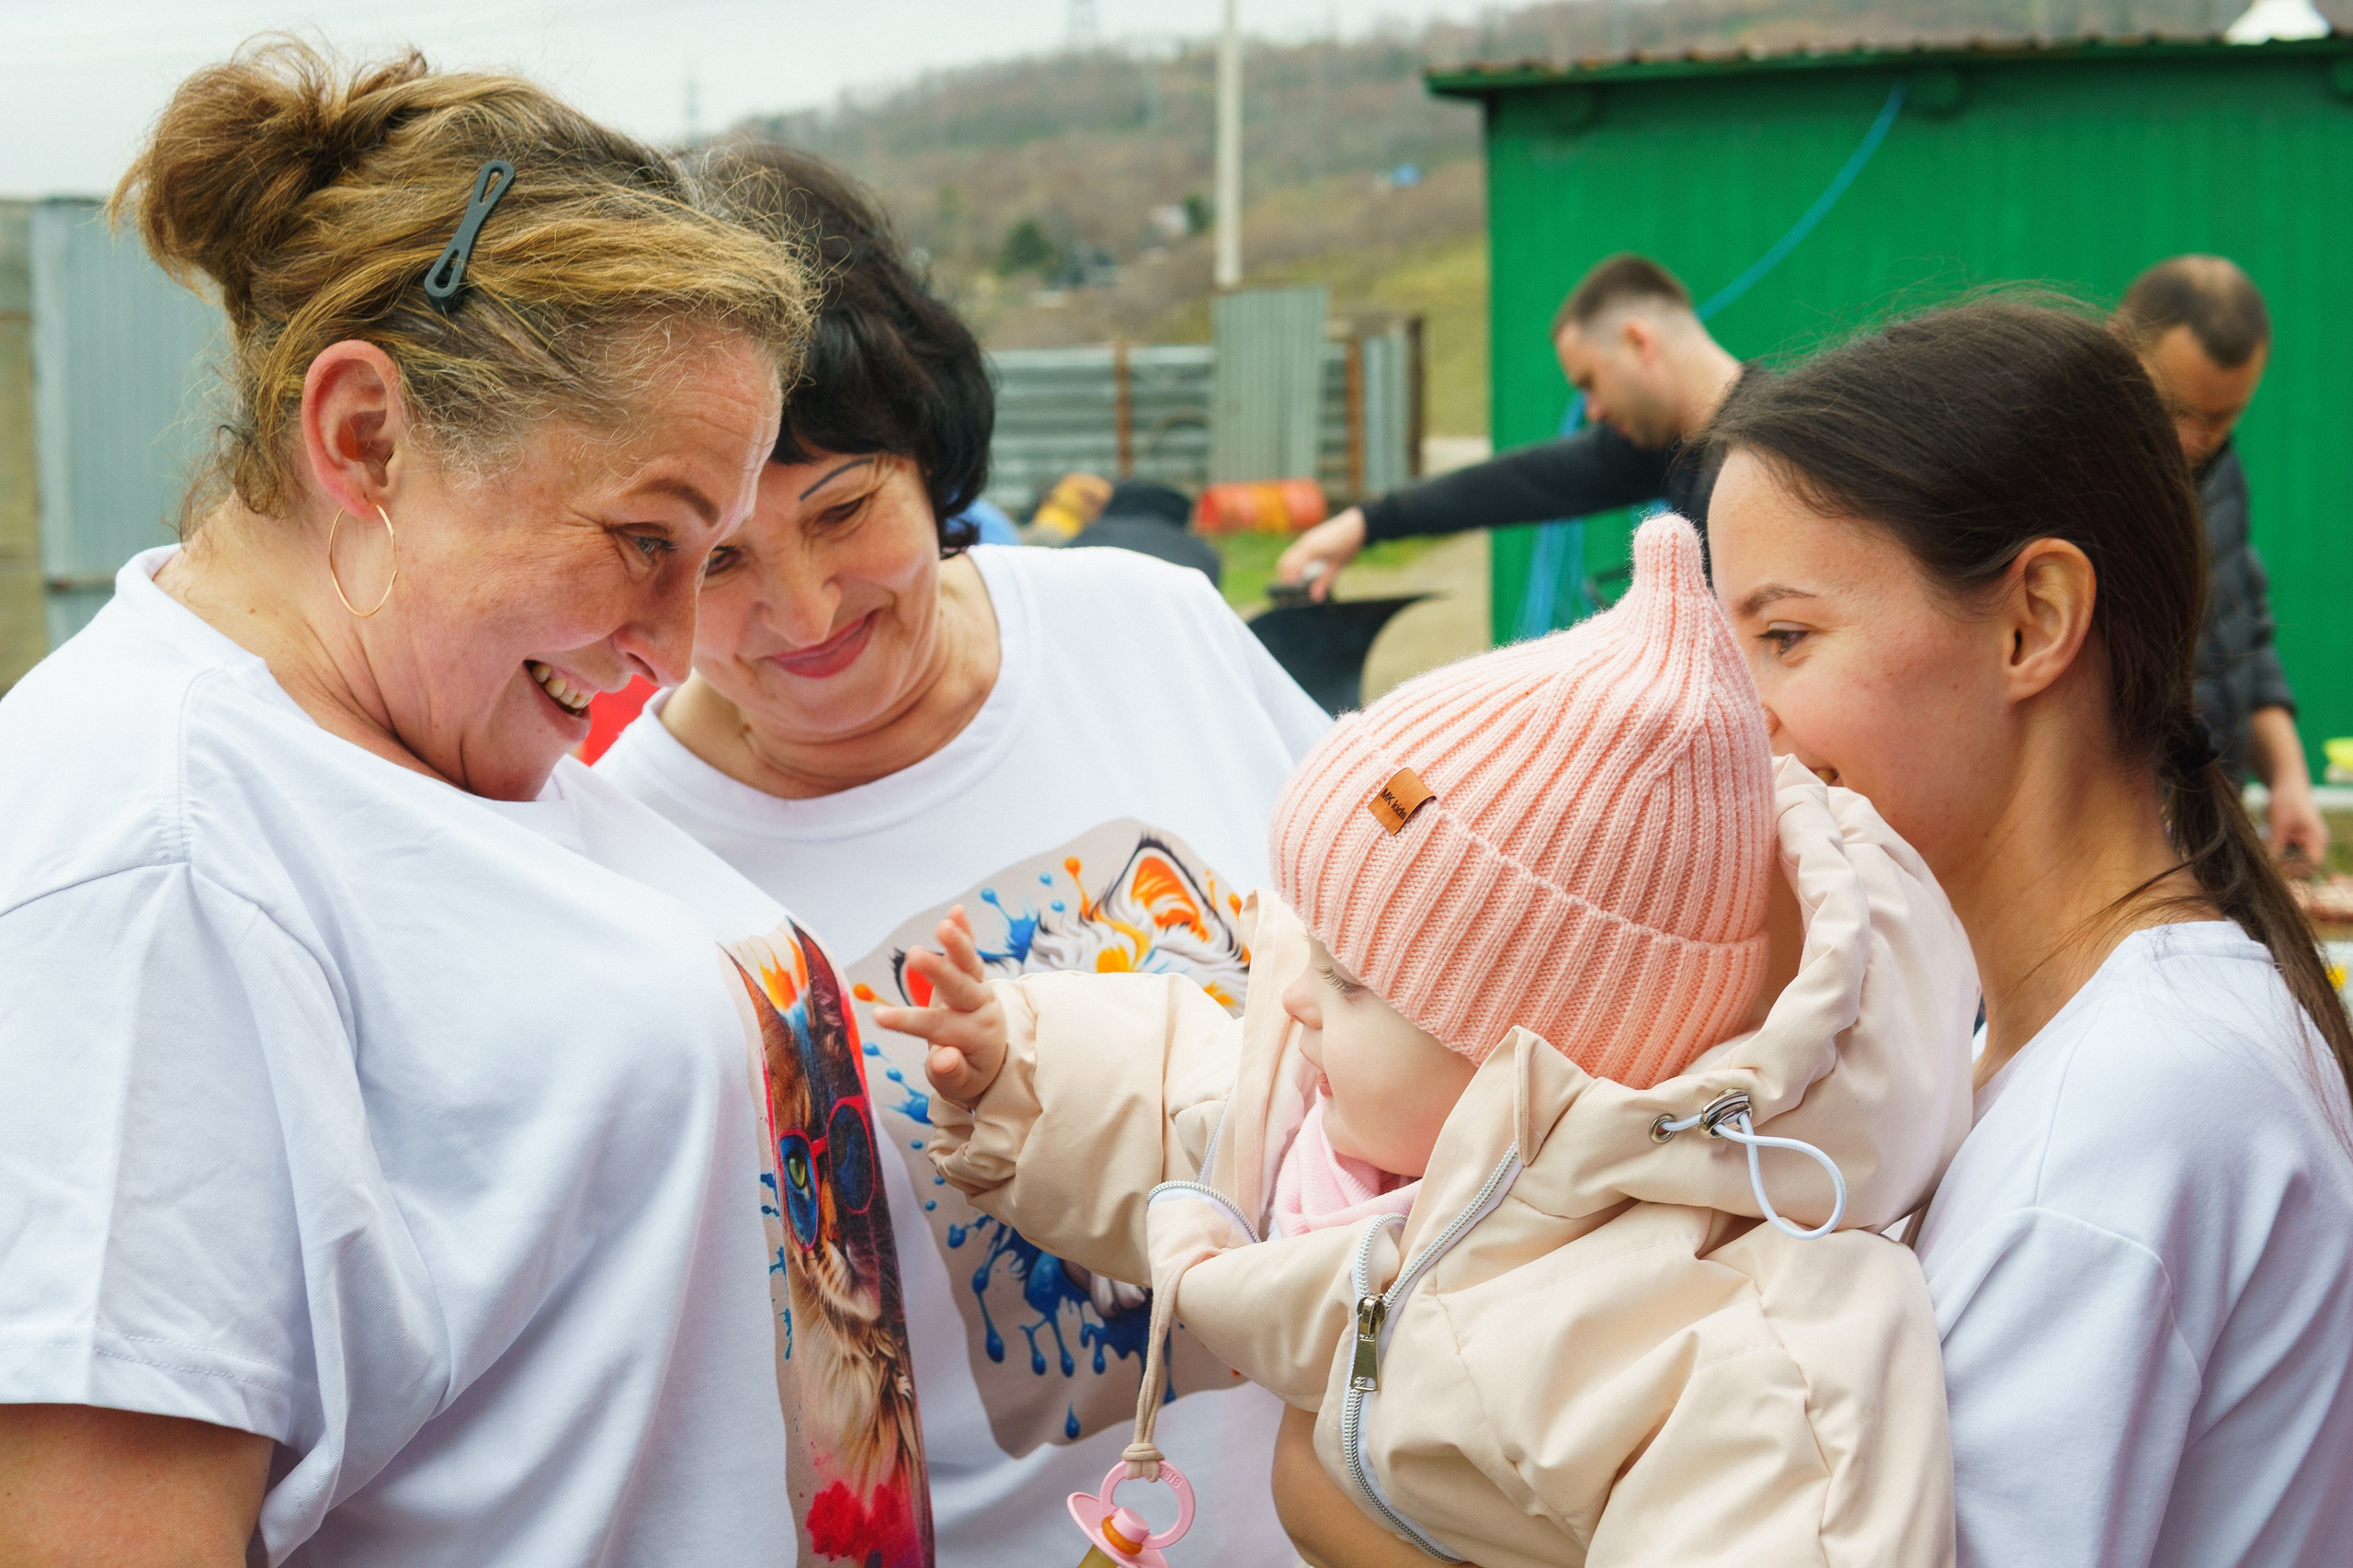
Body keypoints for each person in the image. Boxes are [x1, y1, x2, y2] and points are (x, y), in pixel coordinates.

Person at [0, 43, 948, 1567]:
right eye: (648, 537)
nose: (679, 644)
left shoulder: (449, 738)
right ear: (366, 436)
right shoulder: (147, 849)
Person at [888, 515, 1979, 1566]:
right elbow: (1198, 1103)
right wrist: (1015, 1064)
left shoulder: (1727, 1346)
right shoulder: (1360, 1137)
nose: (1296, 1002)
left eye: (1352, 981)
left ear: (1536, 1055)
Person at [592, 147, 1329, 1568]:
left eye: (845, 510)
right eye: (715, 560)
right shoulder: (633, 871)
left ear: (931, 455)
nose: (800, 608)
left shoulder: (1149, 628)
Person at [1706, 298, 2353, 1567]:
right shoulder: (2065, 1036)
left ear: (2032, 621)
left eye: (1784, 637)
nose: (1736, 719)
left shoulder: (2125, 1117)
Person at [1274, 254, 1756, 600]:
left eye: (1589, 383)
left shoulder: (1767, 457)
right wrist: (1366, 524)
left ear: (1637, 342)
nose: (1591, 410)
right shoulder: (1669, 448)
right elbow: (1522, 482)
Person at [2115, 256, 2328, 865]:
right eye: (2177, 408)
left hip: (2204, 836)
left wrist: (2288, 780)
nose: (2196, 439)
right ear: (2119, 349)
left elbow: (2245, 632)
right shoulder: (2072, 481)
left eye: (2221, 416)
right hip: (2121, 856)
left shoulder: (2219, 466)